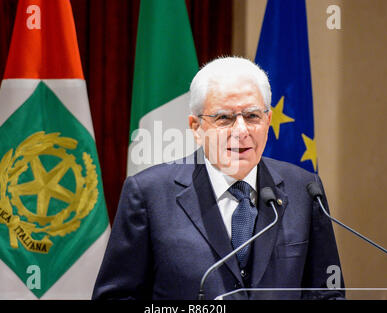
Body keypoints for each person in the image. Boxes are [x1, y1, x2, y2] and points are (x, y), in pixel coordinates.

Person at [93, 57, 345, 300]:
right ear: (195, 127)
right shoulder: (149, 193)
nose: (241, 131)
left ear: (268, 121)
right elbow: (117, 296)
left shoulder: (304, 189)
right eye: (224, 118)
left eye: (252, 116)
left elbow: (327, 292)